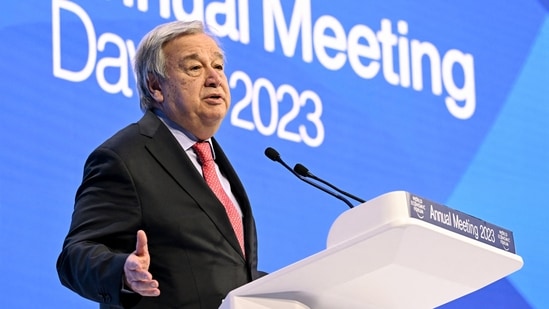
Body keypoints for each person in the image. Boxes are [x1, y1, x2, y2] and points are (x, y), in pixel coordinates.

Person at [57, 20, 262, 309]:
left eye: (218, 66)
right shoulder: (124, 157)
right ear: (155, 86)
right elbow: (74, 257)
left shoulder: (215, 163)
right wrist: (123, 272)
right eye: (194, 68)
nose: (214, 78)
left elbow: (225, 272)